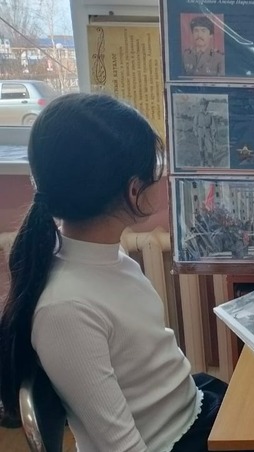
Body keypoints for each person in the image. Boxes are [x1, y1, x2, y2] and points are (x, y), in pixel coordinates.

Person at [0, 93, 227, 451]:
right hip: (171, 442)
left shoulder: (105, 257)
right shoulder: (65, 310)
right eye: (155, 171)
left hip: (192, 407)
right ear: (134, 190)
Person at [193, 98, 217, 167]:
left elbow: (213, 125)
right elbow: (195, 124)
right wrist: (195, 131)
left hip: (207, 132)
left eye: (205, 105)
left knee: (210, 148)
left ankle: (210, 162)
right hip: (200, 131)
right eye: (202, 105)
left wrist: (213, 132)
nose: (204, 106)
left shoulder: (210, 115)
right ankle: (202, 161)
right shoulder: (198, 114)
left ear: (207, 105)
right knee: (201, 147)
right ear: (200, 105)